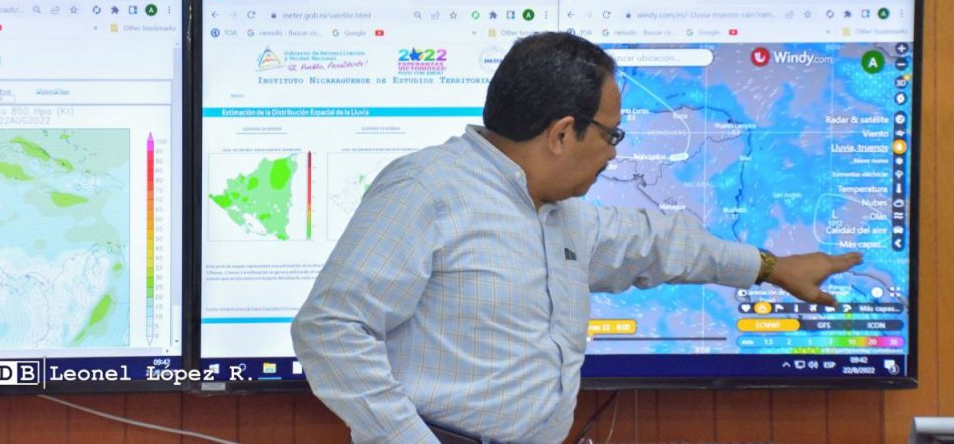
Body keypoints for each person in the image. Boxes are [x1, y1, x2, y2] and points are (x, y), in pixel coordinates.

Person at [292, 31, 862, 444]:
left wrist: (771, 267)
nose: (613, 154)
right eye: (612, 134)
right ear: (563, 133)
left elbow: (656, 243)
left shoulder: (559, 214)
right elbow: (331, 327)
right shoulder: (426, 188)